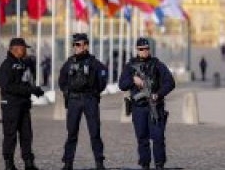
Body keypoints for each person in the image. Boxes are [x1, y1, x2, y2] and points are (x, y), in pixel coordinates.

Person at [118, 37, 175, 170]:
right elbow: (121, 85)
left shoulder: (157, 65)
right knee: (142, 138)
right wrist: (133, 80)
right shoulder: (130, 66)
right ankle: (145, 164)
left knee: (158, 137)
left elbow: (170, 83)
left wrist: (158, 94)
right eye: (141, 49)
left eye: (147, 48)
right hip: (139, 107)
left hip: (155, 105)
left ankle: (159, 164)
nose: (144, 51)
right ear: (137, 50)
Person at [58, 33, 108, 170]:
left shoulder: (94, 63)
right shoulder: (69, 63)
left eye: (78, 44)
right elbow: (61, 81)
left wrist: (95, 91)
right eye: (74, 44)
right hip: (74, 100)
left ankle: (99, 162)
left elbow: (103, 79)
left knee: (95, 132)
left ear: (86, 45)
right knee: (71, 133)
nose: (76, 47)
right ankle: (68, 163)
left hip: (89, 99)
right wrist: (67, 91)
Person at [0, 37, 45, 170]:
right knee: (10, 135)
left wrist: (34, 89)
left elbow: (27, 81)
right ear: (15, 49)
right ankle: (9, 164)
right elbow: (7, 87)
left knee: (26, 135)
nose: (26, 51)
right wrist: (29, 89)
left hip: (24, 104)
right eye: (24, 48)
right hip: (11, 106)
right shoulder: (6, 65)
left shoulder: (23, 64)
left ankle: (29, 163)